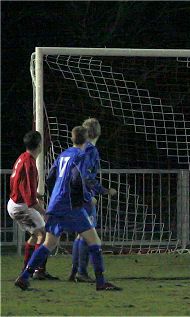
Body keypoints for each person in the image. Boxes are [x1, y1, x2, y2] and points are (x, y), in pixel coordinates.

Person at [15, 126, 121, 291]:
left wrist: (56, 194)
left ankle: (24, 277)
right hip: (71, 205)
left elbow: (50, 177)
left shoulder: (63, 154)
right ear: (86, 140)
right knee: (94, 241)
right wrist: (87, 198)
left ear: (72, 139)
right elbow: (79, 178)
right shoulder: (81, 155)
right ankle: (101, 282)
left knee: (49, 243)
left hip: (56, 203)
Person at [69, 118, 117, 283]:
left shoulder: (78, 149)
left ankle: (75, 272)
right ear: (96, 133)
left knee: (80, 234)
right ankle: (81, 273)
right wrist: (100, 192)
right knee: (87, 235)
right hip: (83, 195)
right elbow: (87, 177)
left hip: (73, 194)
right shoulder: (90, 150)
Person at [7, 131, 55, 279]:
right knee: (43, 234)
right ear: (39, 145)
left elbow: (19, 184)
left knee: (36, 235)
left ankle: (28, 270)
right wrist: (43, 212)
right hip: (21, 207)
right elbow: (29, 199)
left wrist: (33, 195)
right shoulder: (30, 164)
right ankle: (37, 271)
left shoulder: (23, 157)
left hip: (17, 203)